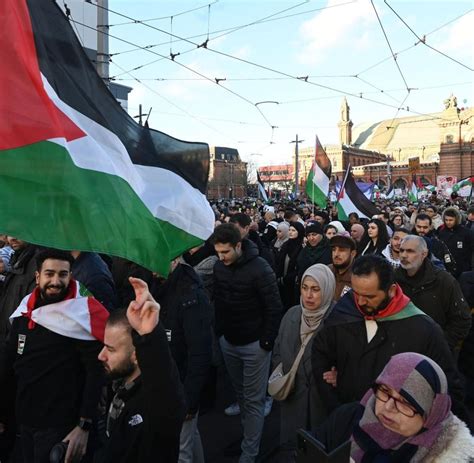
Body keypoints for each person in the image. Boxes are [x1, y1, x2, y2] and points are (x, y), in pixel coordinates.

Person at [311, 255, 466, 423]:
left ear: (391, 291)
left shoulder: (424, 330)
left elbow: (448, 392)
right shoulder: (347, 307)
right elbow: (321, 351)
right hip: (344, 422)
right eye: (356, 293)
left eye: (370, 296)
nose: (360, 302)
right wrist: (336, 405)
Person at [0, 248, 109, 463]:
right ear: (37, 276)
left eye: (63, 274)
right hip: (23, 423)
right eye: (49, 274)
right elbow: (7, 364)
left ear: (71, 276)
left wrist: (84, 425)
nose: (56, 281)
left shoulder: (82, 316)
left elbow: (95, 373)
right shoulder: (24, 312)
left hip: (60, 428)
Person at [313, 353, 474, 462]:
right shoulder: (349, 417)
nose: (388, 407)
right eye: (385, 391)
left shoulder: (455, 456)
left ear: (431, 415)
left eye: (405, 402)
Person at [212, 224, 282, 463]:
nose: (221, 258)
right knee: (241, 395)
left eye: (226, 252)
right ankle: (246, 438)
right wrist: (220, 333)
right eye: (218, 253)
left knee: (253, 402)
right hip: (229, 342)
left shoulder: (260, 269)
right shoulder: (219, 267)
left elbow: (274, 307)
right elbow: (218, 302)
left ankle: (249, 453)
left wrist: (265, 342)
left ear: (238, 246)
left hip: (254, 346)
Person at [98, 277, 186, 462]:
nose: (101, 355)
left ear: (137, 355)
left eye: (111, 349)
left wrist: (151, 334)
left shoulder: (157, 403)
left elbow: (164, 387)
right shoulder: (119, 388)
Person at [272, 264, 336, 461]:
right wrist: (284, 374)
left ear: (327, 290)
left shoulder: (338, 320)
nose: (308, 295)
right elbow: (278, 350)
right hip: (293, 399)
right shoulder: (291, 314)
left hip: (322, 404)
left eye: (316, 289)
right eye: (305, 287)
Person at [152, 258, 213, 463]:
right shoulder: (160, 285)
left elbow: (199, 353)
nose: (153, 266)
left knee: (180, 451)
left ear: (176, 260)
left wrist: (190, 399)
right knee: (189, 438)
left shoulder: (191, 296)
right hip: (169, 381)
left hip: (182, 386)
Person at [395, 235, 471, 352]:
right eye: (401, 250)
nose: (404, 255)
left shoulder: (444, 280)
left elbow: (461, 319)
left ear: (424, 254)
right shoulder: (392, 279)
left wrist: (442, 346)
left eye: (410, 251)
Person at [0, 238, 40, 339]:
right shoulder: (17, 258)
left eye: (16, 232)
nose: (11, 238)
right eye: (9, 232)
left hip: (18, 341)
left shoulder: (38, 263)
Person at [276, 222, 305, 310]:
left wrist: (288, 278)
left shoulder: (302, 247)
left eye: (293, 230)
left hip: (293, 284)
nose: (290, 232)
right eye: (289, 230)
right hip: (281, 282)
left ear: (299, 232)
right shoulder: (285, 245)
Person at [438, 207, 474, 277]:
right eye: (446, 220)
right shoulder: (441, 232)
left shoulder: (466, 232)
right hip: (447, 267)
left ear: (456, 220)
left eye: (451, 220)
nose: (448, 222)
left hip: (463, 268)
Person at [296, 222, 331, 287]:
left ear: (321, 234)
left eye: (314, 234)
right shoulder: (304, 251)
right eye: (308, 235)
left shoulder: (331, 249)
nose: (311, 238)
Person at [328, 234, 357, 301]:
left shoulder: (358, 277)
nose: (336, 254)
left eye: (342, 250)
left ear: (353, 253)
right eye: (334, 250)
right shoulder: (327, 272)